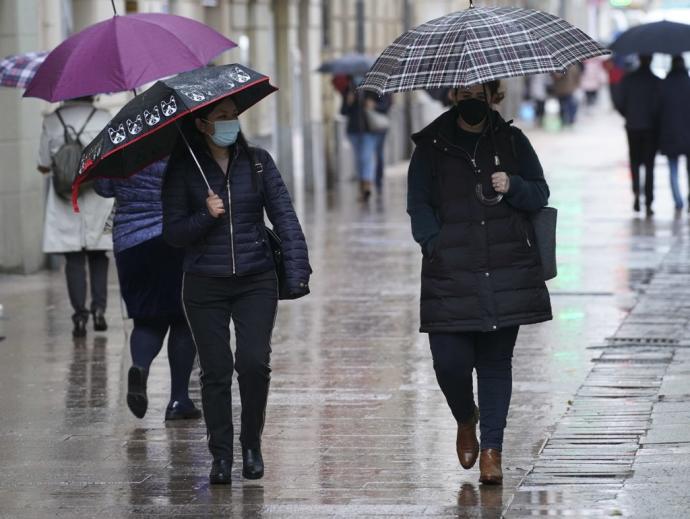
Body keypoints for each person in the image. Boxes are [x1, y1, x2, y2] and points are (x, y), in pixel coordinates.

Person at [406, 81, 552, 485]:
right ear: (452, 97)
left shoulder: (513, 141)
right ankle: (465, 416)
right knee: (448, 362)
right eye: (462, 94)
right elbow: (417, 204)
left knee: (494, 364)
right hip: (450, 271)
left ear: (493, 96)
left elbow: (540, 193)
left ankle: (492, 450)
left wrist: (514, 186)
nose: (470, 102)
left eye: (477, 94)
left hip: (506, 269)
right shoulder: (431, 147)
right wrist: (433, 242)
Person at [162, 96, 311, 484]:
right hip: (203, 283)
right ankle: (221, 455)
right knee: (215, 371)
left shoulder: (258, 161)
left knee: (253, 362)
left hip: (255, 279)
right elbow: (174, 233)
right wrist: (204, 216)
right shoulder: (183, 169)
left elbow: (285, 216)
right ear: (202, 125)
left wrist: (296, 271)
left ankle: (251, 444)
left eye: (234, 116)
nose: (231, 123)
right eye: (221, 117)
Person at [95, 161, 201, 421]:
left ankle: (140, 367)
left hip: (130, 244)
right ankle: (179, 400)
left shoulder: (123, 147)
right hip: (175, 238)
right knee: (183, 319)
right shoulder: (179, 144)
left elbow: (103, 187)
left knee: (146, 319)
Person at [37, 96, 114, 338]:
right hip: (97, 195)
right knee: (99, 254)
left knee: (73, 259)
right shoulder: (103, 118)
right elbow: (112, 158)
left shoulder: (51, 120)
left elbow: (42, 164)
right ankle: (100, 310)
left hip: (65, 196)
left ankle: (80, 317)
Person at [614, 55, 661, 216]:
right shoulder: (656, 82)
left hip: (633, 126)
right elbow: (660, 107)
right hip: (650, 129)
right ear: (652, 60)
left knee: (634, 162)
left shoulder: (628, 80)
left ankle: (636, 195)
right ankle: (648, 201)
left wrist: (628, 114)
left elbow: (619, 102)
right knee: (649, 165)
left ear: (639, 60)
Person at [340, 76, 387, 201]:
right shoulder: (349, 88)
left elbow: (386, 105)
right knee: (359, 160)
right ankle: (362, 187)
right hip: (353, 131)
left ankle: (366, 188)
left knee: (366, 158)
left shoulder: (374, 87)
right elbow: (343, 111)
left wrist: (374, 106)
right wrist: (347, 102)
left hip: (369, 129)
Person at [659, 56, 690, 212]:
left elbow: (658, 111)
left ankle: (678, 201)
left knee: (673, 169)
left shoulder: (664, 85)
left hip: (670, 135)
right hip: (688, 135)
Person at [374, 94, 393, 191]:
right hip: (367, 126)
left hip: (380, 125)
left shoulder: (383, 89)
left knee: (378, 152)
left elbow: (387, 105)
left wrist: (374, 106)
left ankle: (378, 178)